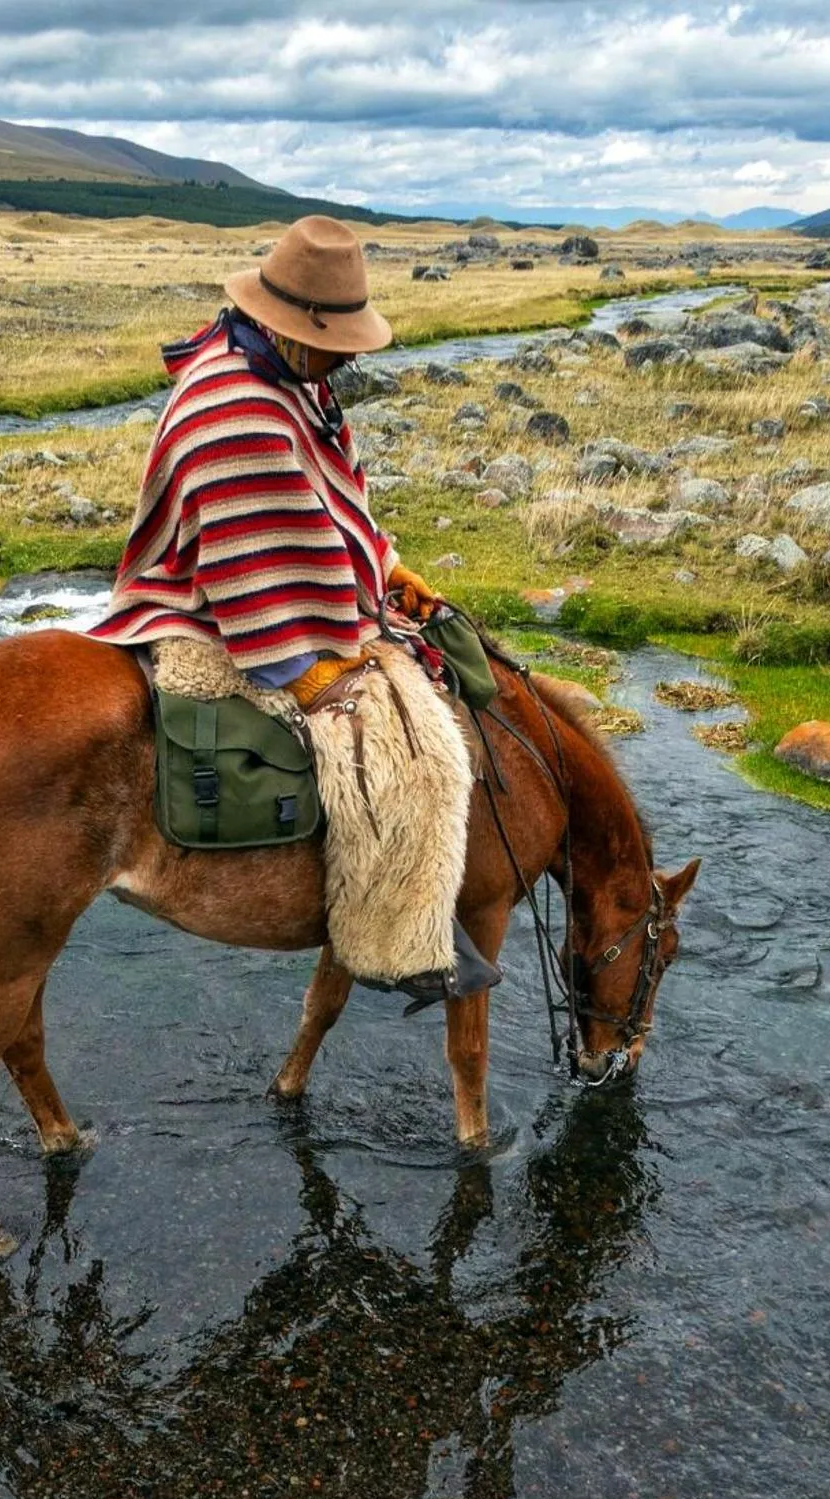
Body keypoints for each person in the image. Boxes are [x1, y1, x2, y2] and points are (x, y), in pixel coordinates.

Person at [90, 214, 500, 1007]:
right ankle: (394, 938)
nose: (349, 354)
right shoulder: (233, 407)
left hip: (278, 586)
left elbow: (315, 509)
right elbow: (249, 561)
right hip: (208, 605)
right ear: (294, 323)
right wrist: (300, 670)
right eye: (340, 337)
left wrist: (382, 562)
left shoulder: (285, 377)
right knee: (401, 737)